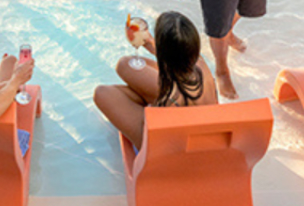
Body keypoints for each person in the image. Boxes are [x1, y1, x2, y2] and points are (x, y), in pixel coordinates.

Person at [92, 11, 217, 151]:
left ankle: (144, 100)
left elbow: (155, 125)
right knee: (125, 64)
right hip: (201, 126)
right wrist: (151, 43)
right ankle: (145, 97)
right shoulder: (200, 63)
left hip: (170, 147)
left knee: (102, 93)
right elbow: (177, 57)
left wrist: (151, 111)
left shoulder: (170, 99)